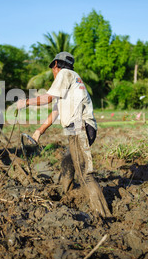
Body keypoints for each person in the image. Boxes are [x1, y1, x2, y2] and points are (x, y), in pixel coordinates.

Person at [17, 52, 112, 219]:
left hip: (79, 129)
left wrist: (26, 102)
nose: (54, 72)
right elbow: (55, 111)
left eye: (53, 68)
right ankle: (67, 197)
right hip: (79, 129)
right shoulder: (72, 80)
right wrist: (39, 131)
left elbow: (46, 99)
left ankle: (103, 214)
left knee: (85, 174)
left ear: (55, 65)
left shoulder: (64, 74)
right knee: (67, 163)